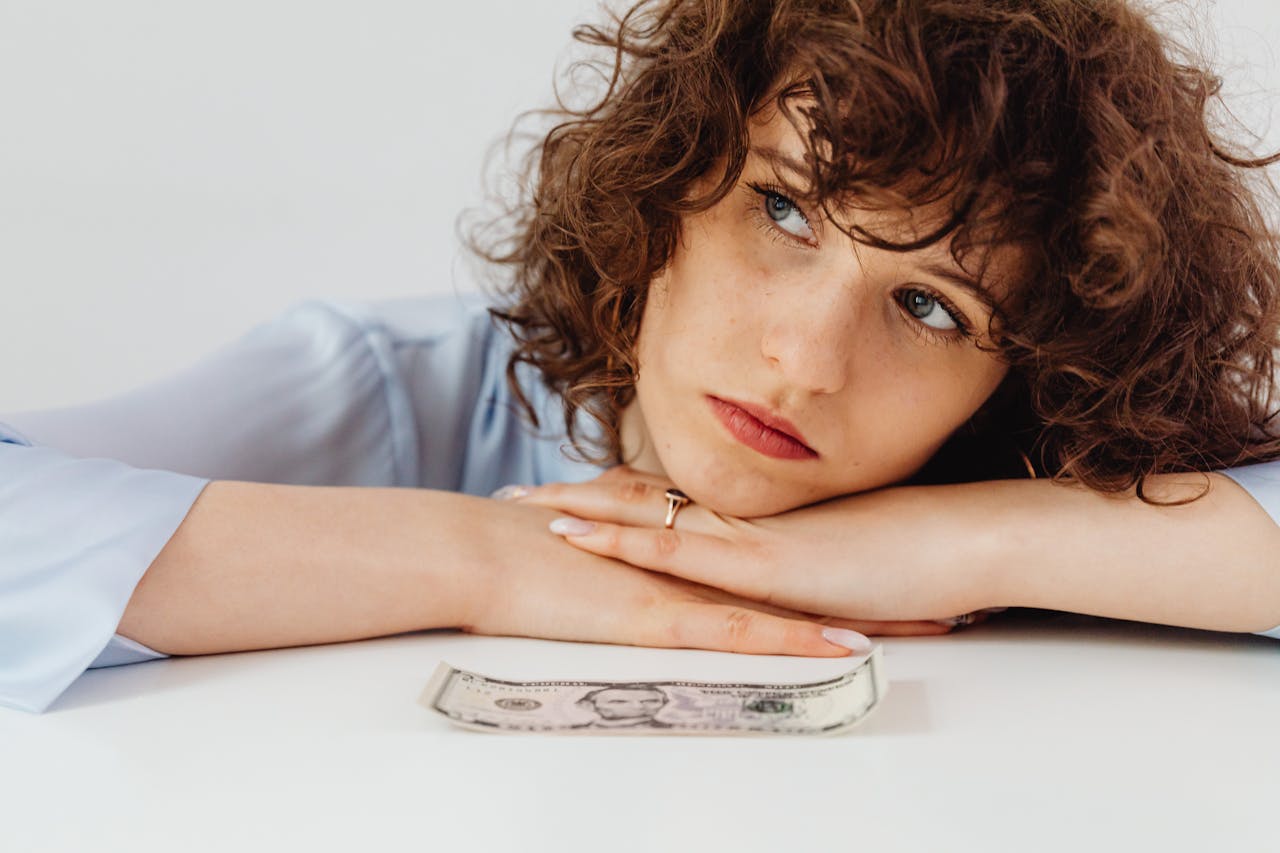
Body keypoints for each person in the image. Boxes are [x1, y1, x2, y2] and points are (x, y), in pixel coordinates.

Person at [4, 0, 1280, 715]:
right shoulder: (398, 384)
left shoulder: (1026, 474)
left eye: (931, 309)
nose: (802, 359)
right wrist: (490, 557)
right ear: (668, 184)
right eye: (781, 211)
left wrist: (955, 540)